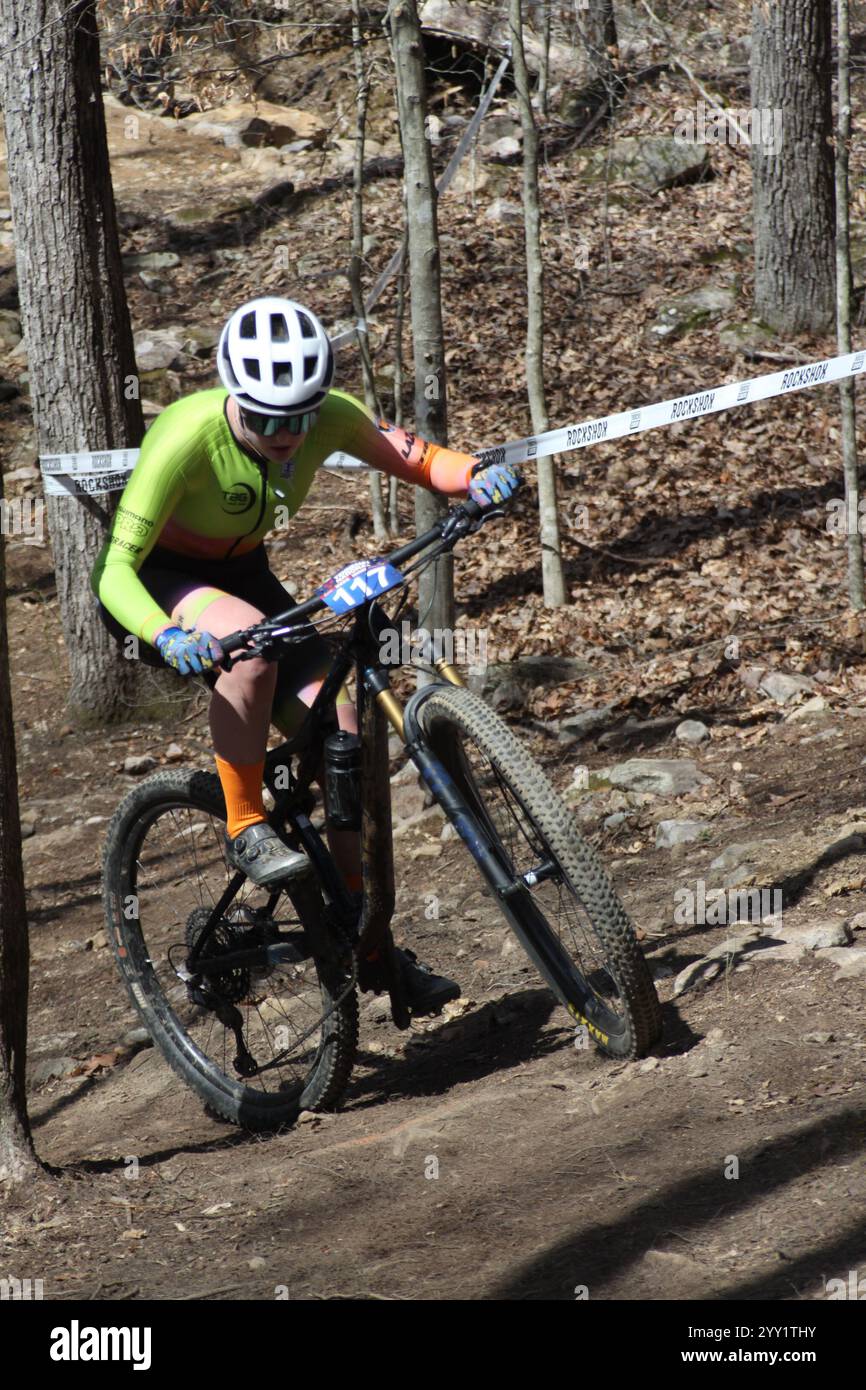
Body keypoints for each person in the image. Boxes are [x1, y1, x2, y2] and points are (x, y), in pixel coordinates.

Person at [92, 297, 520, 1012]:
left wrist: (475, 474)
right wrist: (167, 634)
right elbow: (113, 572)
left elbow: (418, 459)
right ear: (234, 398)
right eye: (264, 419)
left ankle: (366, 934)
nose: (284, 434)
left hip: (247, 574)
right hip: (163, 584)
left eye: (297, 417)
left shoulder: (331, 415)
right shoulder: (186, 434)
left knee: (342, 724)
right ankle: (243, 825)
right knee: (251, 654)